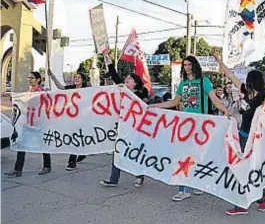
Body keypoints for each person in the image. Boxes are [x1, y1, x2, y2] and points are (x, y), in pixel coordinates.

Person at [150, 55, 231, 202]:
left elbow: (214, 99)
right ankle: (183, 189)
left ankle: (196, 183)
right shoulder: (182, 84)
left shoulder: (204, 82)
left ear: (195, 66)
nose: (187, 67)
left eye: (189, 64)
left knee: (198, 155)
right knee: (184, 155)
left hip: (201, 125)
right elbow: (175, 102)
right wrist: (155, 106)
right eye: (185, 65)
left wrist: (225, 110)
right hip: (186, 125)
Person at [212, 51, 265, 215]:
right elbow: (229, 74)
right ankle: (242, 203)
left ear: (254, 82)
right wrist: (219, 59)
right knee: (240, 168)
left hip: (256, 140)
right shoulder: (245, 93)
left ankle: (260, 197)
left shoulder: (264, 98)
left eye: (249, 81)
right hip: (242, 135)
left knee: (252, 169)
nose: (246, 83)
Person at [100, 52, 149, 188]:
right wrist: (108, 60)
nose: (126, 81)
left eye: (129, 79)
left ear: (136, 83)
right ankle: (113, 179)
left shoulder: (140, 94)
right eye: (126, 79)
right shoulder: (123, 91)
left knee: (135, 152)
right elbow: (114, 76)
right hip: (123, 127)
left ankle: (139, 176)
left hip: (137, 129)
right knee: (118, 151)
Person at [4, 72, 52, 177]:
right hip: (28, 123)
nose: (30, 79)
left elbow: (46, 106)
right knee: (22, 145)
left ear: (38, 80)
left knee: (43, 145)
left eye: (32, 78)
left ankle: (47, 166)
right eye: (29, 77)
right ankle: (18, 169)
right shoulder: (30, 91)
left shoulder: (41, 92)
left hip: (39, 124)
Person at [48, 69, 88, 171]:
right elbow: (60, 87)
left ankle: (72, 161)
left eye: (78, 77)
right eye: (75, 77)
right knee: (76, 138)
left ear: (83, 80)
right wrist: (52, 76)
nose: (76, 79)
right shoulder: (71, 88)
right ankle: (81, 154)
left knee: (77, 137)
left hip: (84, 118)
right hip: (73, 117)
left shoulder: (87, 90)